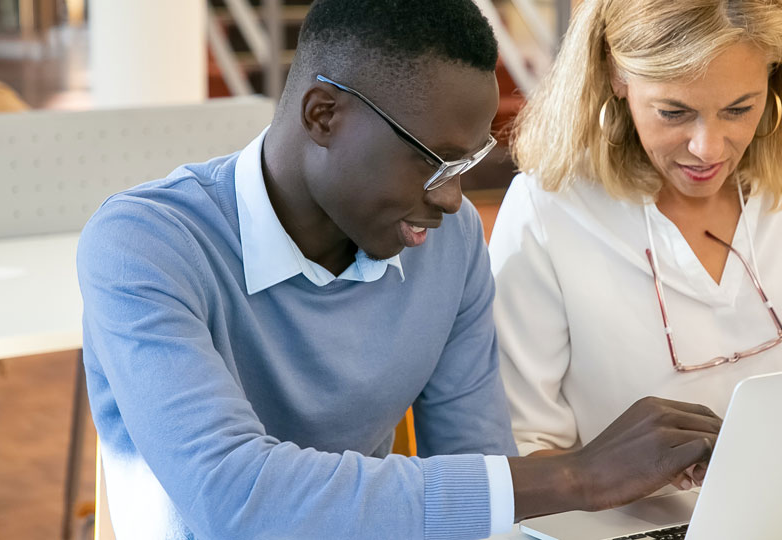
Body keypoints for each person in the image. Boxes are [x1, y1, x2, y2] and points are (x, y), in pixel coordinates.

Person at [78, 1, 722, 538]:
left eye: (464, 166)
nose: (450, 199)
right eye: (430, 161)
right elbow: (235, 499)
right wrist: (577, 475)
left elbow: (480, 476)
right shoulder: (143, 245)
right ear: (322, 115)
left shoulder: (448, 242)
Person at [489, 0, 782, 458]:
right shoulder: (547, 210)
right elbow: (523, 449)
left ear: (774, 74)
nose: (707, 149)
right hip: (632, 527)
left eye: (739, 109)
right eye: (674, 112)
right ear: (615, 74)